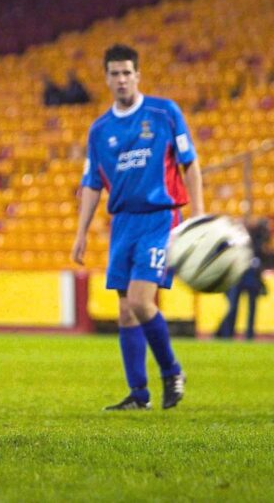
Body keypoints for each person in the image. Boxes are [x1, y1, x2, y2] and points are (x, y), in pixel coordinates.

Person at [72, 44, 204, 410]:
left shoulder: (164, 112)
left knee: (142, 301)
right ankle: (139, 394)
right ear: (106, 79)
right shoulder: (99, 130)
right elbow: (92, 184)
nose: (121, 79)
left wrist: (199, 216)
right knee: (125, 310)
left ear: (138, 75)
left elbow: (189, 164)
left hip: (161, 218)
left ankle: (172, 371)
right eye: (114, 74)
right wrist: (81, 233)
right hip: (123, 223)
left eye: (127, 72)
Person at [215, 218, 269, 340]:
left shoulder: (254, 240)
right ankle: (228, 334)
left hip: (251, 277)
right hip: (238, 278)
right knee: (233, 307)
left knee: (250, 308)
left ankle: (249, 335)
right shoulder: (231, 242)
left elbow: (262, 254)